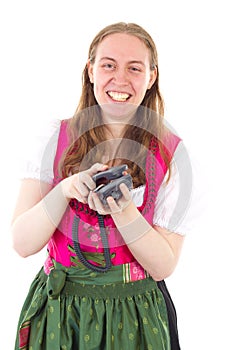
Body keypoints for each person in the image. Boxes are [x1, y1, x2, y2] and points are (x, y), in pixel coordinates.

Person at [12, 22, 194, 349]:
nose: (119, 79)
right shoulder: (53, 138)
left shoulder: (171, 153)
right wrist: (65, 190)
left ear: (151, 77)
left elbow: (162, 265)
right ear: (91, 70)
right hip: (60, 313)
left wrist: (123, 211)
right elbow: (22, 243)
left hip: (135, 315)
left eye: (134, 68)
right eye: (108, 65)